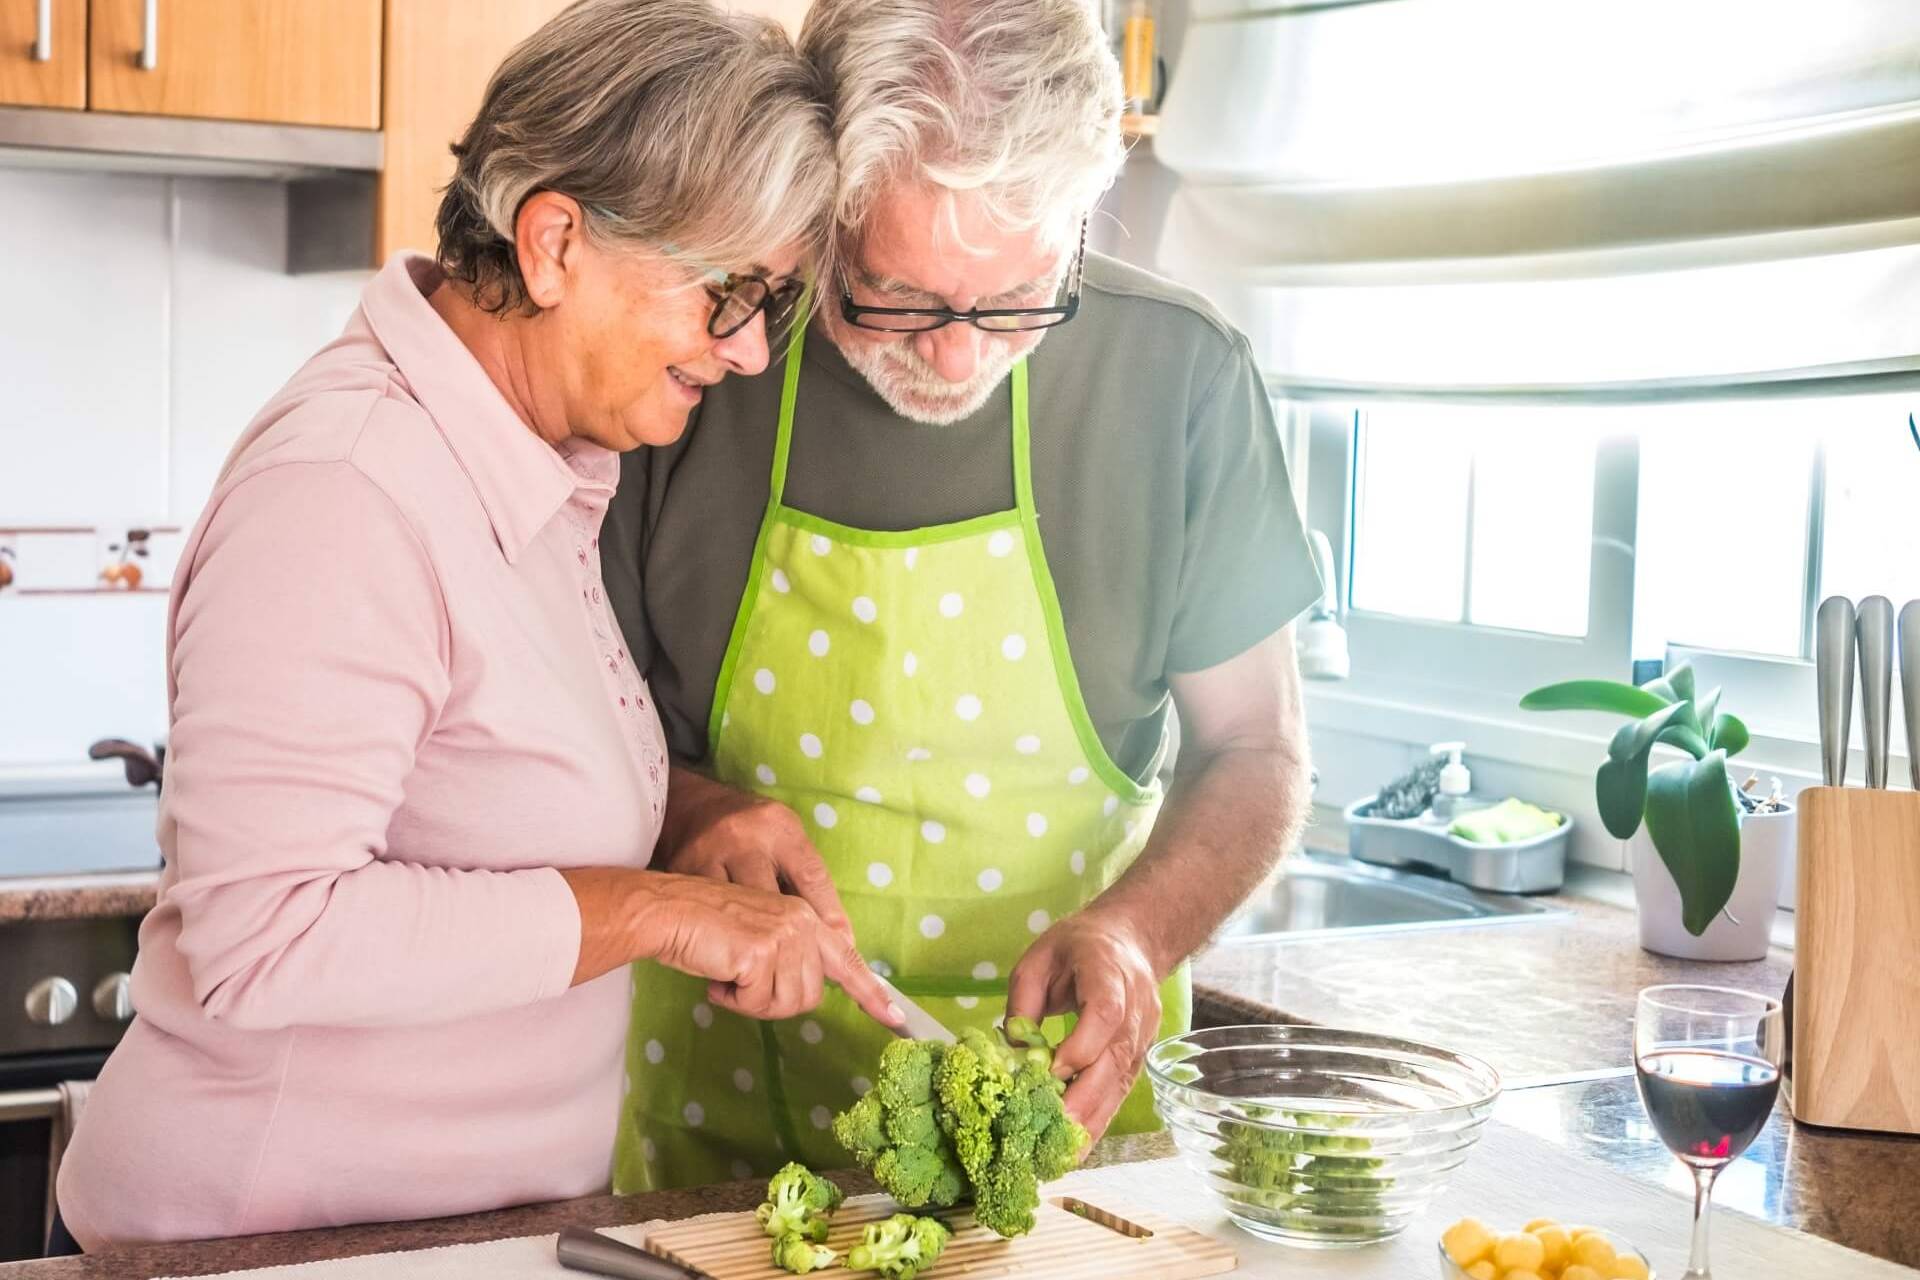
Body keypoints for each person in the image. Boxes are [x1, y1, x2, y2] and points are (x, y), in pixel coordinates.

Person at [53, 0, 896, 1252]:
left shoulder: (528, 465)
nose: (748, 355)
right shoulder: (347, 484)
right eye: (729, 294)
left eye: (767, 304)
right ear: (554, 242)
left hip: (431, 1236)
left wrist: (694, 819)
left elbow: (481, 774)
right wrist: (658, 908)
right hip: (254, 1241)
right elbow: (268, 934)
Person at [602, 0, 1319, 1191]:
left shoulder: (1183, 380)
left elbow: (1259, 748)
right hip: (718, 1152)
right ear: (821, 206)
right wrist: (690, 814)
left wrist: (1136, 932)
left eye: (1015, 299)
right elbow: (563, 735)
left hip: (1072, 1162)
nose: (955, 356)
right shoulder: (696, 362)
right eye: (898, 297)